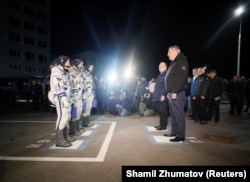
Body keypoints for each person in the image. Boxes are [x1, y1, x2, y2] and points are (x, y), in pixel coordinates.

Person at [48, 55, 75, 147]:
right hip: (60, 98)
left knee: (67, 117)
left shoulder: (64, 73)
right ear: (62, 62)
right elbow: (58, 87)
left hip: (66, 98)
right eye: (67, 62)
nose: (69, 64)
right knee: (62, 117)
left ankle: (65, 136)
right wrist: (63, 99)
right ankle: (59, 140)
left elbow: (67, 87)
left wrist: (70, 98)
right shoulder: (56, 73)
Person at [163, 45, 189, 142]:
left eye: (169, 51)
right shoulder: (174, 63)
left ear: (175, 51)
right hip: (171, 93)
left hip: (177, 92)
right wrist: (168, 91)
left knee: (178, 114)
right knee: (173, 114)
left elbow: (181, 78)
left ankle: (181, 135)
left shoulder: (182, 61)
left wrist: (175, 91)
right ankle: (174, 132)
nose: (167, 54)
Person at [68, 58, 85, 136]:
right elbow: (70, 85)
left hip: (79, 96)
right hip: (74, 96)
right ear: (77, 64)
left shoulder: (79, 73)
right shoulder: (71, 72)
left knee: (79, 112)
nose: (82, 66)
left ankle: (77, 128)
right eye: (81, 64)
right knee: (74, 113)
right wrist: (72, 96)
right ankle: (72, 130)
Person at [152, 62, 169, 130]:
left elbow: (166, 86)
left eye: (161, 66)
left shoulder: (166, 75)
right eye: (159, 66)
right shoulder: (160, 75)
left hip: (162, 97)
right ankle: (161, 124)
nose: (160, 68)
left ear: (165, 67)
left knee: (163, 111)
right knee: (160, 111)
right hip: (158, 97)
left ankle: (163, 126)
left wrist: (163, 95)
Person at [81, 63, 95, 127]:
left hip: (90, 94)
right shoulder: (83, 74)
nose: (92, 69)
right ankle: (84, 123)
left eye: (92, 68)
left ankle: (87, 121)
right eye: (90, 67)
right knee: (85, 109)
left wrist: (93, 92)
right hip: (85, 95)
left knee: (89, 108)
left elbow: (92, 84)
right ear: (87, 67)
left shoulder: (90, 75)